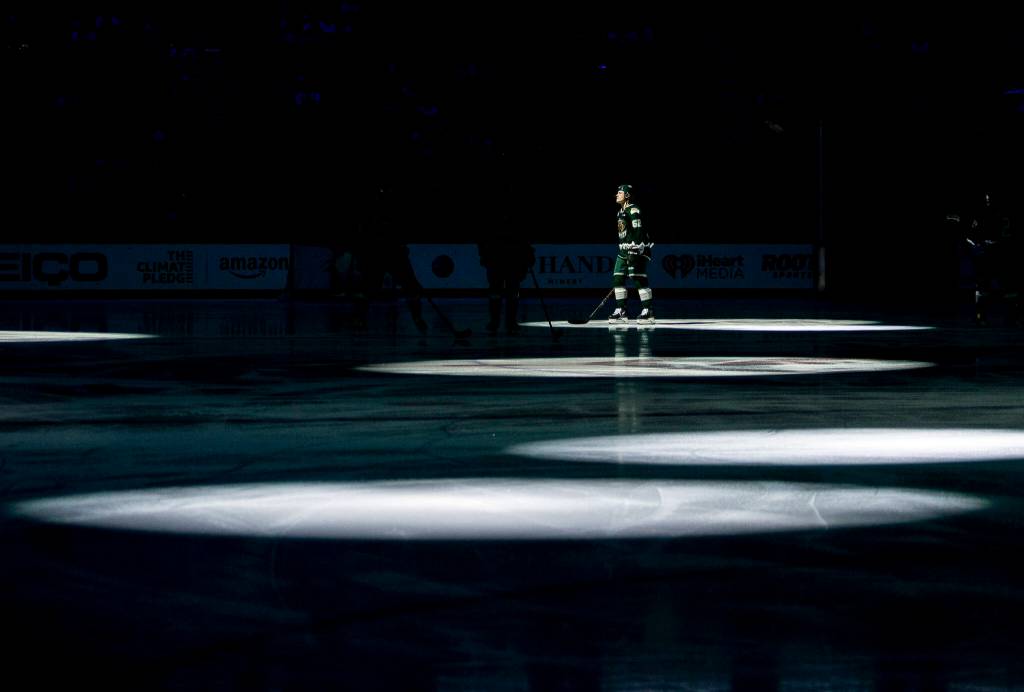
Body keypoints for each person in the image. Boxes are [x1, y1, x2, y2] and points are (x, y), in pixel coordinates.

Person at [329, 184, 428, 333]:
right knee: (368, 289)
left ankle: (417, 318)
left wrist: (400, 245)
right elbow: (364, 232)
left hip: (392, 254)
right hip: (377, 254)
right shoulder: (371, 212)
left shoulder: (392, 210)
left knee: (410, 286)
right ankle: (359, 318)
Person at [477, 214, 535, 335]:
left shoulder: (517, 225)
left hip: (512, 261)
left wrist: (528, 256)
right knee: (497, 293)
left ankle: (508, 322)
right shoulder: (492, 225)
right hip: (497, 261)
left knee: (511, 293)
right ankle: (497, 321)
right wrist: (484, 254)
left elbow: (524, 240)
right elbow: (483, 240)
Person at [609, 184, 654, 324]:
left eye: (619, 192)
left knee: (638, 278)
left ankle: (648, 312)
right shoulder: (620, 212)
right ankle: (621, 311)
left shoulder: (633, 210)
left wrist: (636, 248)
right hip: (623, 250)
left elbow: (638, 229)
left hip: (636, 249)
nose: (616, 195)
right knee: (617, 278)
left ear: (627, 195)